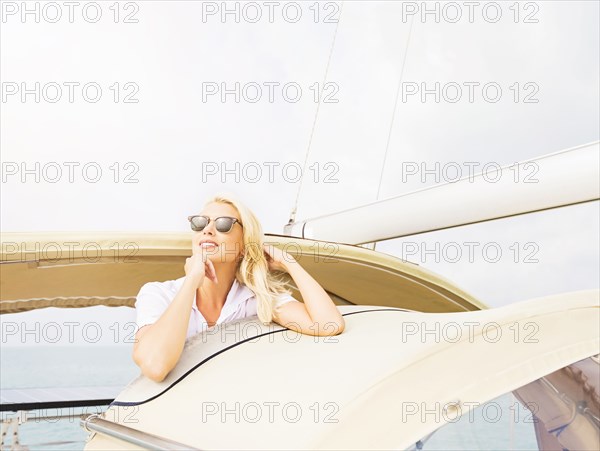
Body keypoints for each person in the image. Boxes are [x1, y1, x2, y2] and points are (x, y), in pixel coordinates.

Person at [132, 193, 345, 382]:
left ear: (243, 246)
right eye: (200, 223)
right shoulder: (158, 293)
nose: (207, 230)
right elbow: (155, 366)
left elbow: (328, 324)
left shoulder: (256, 300)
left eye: (223, 224)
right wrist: (191, 283)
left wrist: (289, 263)